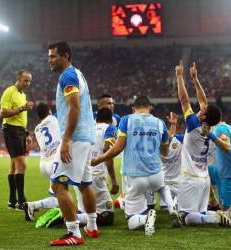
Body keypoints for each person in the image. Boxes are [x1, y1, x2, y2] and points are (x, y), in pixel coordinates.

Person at [92, 96, 180, 236]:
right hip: (155, 173)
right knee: (162, 186)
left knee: (131, 221)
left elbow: (118, 148)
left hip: (135, 176)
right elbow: (165, 151)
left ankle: (146, 218)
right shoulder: (160, 123)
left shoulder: (127, 120)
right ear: (149, 107)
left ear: (133, 108)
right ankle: (171, 208)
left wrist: (100, 159)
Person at [175, 61, 231, 228]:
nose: (201, 108)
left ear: (203, 117)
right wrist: (195, 79)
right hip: (204, 179)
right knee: (201, 213)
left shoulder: (192, 124)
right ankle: (228, 213)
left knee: (187, 218)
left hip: (190, 178)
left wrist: (179, 77)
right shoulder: (210, 127)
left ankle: (219, 218)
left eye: (203, 111)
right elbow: (203, 101)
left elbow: (184, 100)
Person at [48, 41, 98, 246]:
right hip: (86, 136)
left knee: (58, 185)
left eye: (53, 56)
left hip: (76, 138)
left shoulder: (67, 75)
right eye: (49, 56)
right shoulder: (77, 73)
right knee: (85, 184)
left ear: (65, 56)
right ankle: (92, 227)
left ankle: (74, 233)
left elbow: (74, 108)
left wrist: (66, 139)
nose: (49, 60)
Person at [75, 107, 119, 226]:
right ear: (111, 119)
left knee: (86, 211)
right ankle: (67, 216)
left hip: (79, 176)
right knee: (107, 217)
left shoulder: (87, 129)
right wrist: (114, 181)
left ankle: (71, 216)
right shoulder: (110, 128)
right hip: (96, 177)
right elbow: (107, 151)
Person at [0, 69, 34, 210]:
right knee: (22, 165)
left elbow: (21, 118)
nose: (28, 83)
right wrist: (22, 108)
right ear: (18, 79)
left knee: (14, 166)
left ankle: (12, 201)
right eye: (26, 80)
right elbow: (3, 113)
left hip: (19, 131)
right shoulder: (9, 91)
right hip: (11, 130)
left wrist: (26, 133)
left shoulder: (23, 95)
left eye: (29, 81)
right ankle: (21, 201)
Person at [24, 103, 60, 222]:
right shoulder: (54, 118)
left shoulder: (37, 128)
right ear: (49, 111)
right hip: (55, 162)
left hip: (44, 164)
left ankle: (33, 206)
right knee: (63, 196)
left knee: (57, 196)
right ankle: (83, 212)